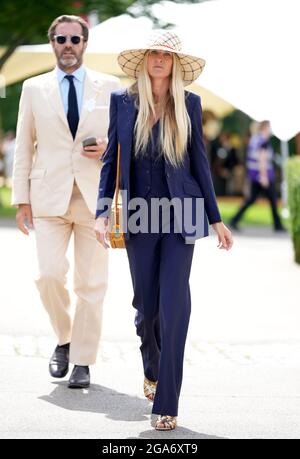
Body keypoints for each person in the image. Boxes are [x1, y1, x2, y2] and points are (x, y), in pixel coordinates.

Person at [94, 30, 233, 430]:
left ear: (173, 63)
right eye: (153, 53)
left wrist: (216, 218)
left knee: (175, 305)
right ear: (144, 60)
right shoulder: (122, 101)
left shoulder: (188, 103)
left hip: (182, 211)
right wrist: (103, 211)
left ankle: (167, 402)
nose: (159, 59)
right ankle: (151, 367)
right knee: (146, 307)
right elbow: (109, 161)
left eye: (166, 55)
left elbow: (200, 162)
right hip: (138, 210)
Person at [12, 15, 120, 388]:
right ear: (53, 43)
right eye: (61, 38)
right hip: (47, 198)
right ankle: (64, 339)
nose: (68, 44)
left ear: (85, 43)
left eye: (75, 38)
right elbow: (23, 146)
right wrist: (20, 199)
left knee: (91, 284)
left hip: (96, 199)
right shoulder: (33, 88)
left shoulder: (111, 87)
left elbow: (126, 140)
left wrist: (108, 147)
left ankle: (82, 361)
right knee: (48, 275)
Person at [230, 120, 285, 231]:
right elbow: (262, 159)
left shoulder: (255, 139)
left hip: (255, 175)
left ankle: (234, 220)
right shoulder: (263, 141)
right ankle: (278, 225)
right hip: (263, 176)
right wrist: (264, 176)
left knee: (252, 199)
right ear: (265, 127)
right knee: (272, 200)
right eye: (270, 127)